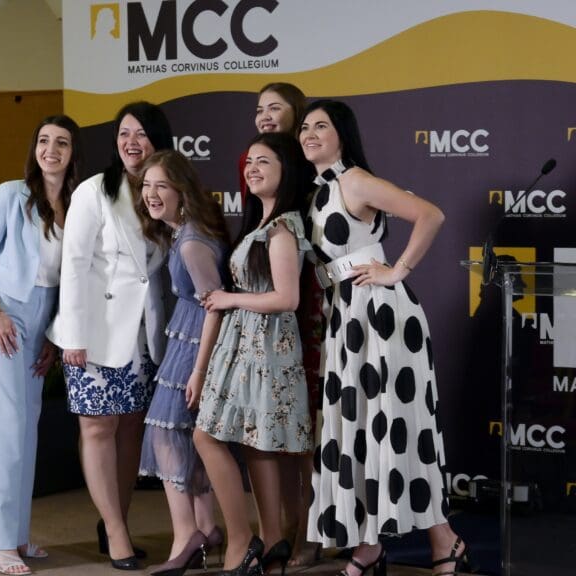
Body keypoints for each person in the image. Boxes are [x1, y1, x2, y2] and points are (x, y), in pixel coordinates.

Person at [300, 100, 472, 576]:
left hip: (380, 317)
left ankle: (446, 542)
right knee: (360, 432)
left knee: (398, 429)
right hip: (345, 318)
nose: (310, 133)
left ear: (342, 136)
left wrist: (397, 271)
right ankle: (371, 545)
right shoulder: (318, 191)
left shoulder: (354, 180)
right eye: (305, 127)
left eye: (322, 126)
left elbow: (430, 214)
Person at [46, 101, 172, 570]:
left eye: (141, 134)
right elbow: (74, 266)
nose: (131, 142)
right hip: (93, 332)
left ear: (158, 140)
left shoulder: (166, 192)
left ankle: (115, 518)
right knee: (97, 428)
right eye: (124, 133)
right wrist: (73, 336)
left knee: (130, 432)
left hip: (143, 337)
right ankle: (117, 533)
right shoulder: (95, 191)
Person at [0, 115, 82, 575]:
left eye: (62, 143)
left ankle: (14, 534)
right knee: (4, 433)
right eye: (44, 141)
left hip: (41, 324)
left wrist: (54, 335)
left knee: (24, 431)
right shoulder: (11, 193)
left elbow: (66, 280)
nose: (51, 150)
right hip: (3, 319)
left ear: (73, 153)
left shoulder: (76, 202)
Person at [190, 132, 314, 576]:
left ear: (287, 171)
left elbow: (287, 298)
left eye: (265, 161)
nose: (253, 168)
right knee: (256, 446)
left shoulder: (281, 229)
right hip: (247, 347)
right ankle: (271, 542)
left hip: (266, 348)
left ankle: (246, 540)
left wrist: (229, 299)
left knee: (211, 437)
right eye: (249, 162)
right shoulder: (263, 226)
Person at [135, 150, 228, 576]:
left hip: (195, 346)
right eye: (146, 185)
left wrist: (199, 369)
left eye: (161, 186)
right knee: (183, 436)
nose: (151, 194)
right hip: (186, 342)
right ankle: (206, 526)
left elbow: (215, 306)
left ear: (181, 190)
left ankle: (185, 534)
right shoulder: (183, 232)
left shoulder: (190, 241)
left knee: (164, 433)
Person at [241, 82, 322, 571]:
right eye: (259, 109)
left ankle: (312, 531)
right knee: (281, 431)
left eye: (277, 107)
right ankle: (283, 531)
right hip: (267, 316)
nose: (266, 116)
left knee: (308, 432)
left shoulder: (318, 172)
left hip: (313, 309)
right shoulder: (254, 164)